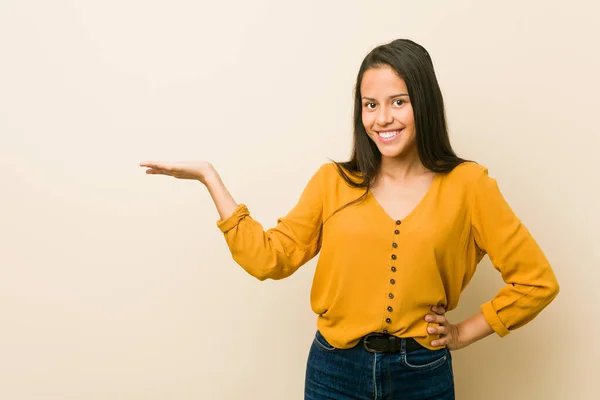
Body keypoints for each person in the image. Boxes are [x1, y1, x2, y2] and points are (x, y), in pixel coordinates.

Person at [140, 39, 560, 400]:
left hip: (423, 374)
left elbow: (536, 282)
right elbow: (269, 259)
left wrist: (461, 334)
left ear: (425, 103)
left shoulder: (470, 185)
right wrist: (210, 177)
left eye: (399, 101)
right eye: (370, 104)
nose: (383, 119)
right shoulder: (333, 182)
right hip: (333, 371)